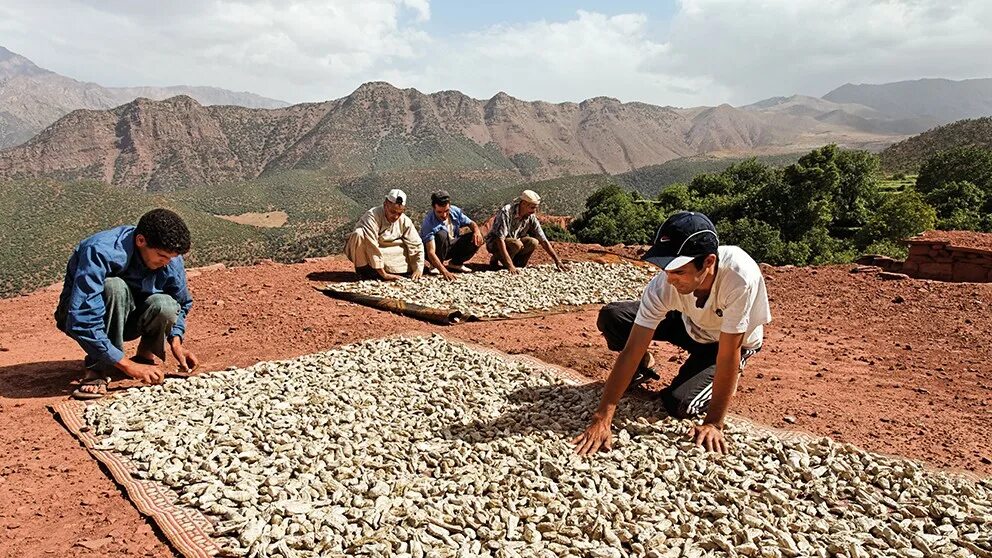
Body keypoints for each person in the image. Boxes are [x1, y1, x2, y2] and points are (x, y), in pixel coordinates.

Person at [573, 211, 771, 455]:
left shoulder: (739, 278)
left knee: (680, 405)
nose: (669, 280)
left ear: (708, 262)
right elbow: (632, 348)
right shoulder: (664, 285)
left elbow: (728, 353)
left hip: (725, 342)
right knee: (613, 316)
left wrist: (713, 423)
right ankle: (641, 369)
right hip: (690, 324)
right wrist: (602, 417)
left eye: (678, 271)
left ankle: (715, 380)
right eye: (666, 269)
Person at [55, 208, 199, 400]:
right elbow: (83, 318)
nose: (166, 263)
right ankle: (97, 369)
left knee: (166, 304)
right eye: (162, 256)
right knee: (114, 287)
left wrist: (176, 341)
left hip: (130, 317)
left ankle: (144, 357)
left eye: (171, 258)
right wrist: (127, 366)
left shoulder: (170, 259)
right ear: (141, 241)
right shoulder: (100, 250)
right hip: (80, 315)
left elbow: (181, 302)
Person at [344, 189, 424, 281]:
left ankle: (392, 270)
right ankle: (365, 272)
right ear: (385, 204)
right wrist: (384, 275)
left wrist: (418, 268)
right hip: (370, 252)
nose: (395, 217)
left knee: (405, 248)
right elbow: (371, 245)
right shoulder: (372, 216)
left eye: (399, 213)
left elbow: (416, 244)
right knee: (359, 234)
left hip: (389, 251)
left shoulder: (404, 221)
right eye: (392, 212)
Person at [485, 189, 566, 274]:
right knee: (516, 244)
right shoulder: (506, 212)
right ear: (523, 204)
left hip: (514, 241)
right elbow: (499, 239)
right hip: (495, 243)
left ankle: (518, 265)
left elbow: (543, 239)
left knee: (533, 242)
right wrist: (510, 266)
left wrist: (557, 261)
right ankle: (499, 259)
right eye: (532, 207)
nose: (534, 211)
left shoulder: (531, 216)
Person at [419, 190, 483, 281]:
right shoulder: (429, 223)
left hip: (451, 244)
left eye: (446, 211)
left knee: (477, 236)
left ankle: (456, 263)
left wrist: (477, 231)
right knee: (442, 234)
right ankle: (435, 265)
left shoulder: (455, 211)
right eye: (439, 212)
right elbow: (431, 252)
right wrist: (444, 271)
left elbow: (471, 223)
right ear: (433, 208)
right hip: (437, 249)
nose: (444, 215)